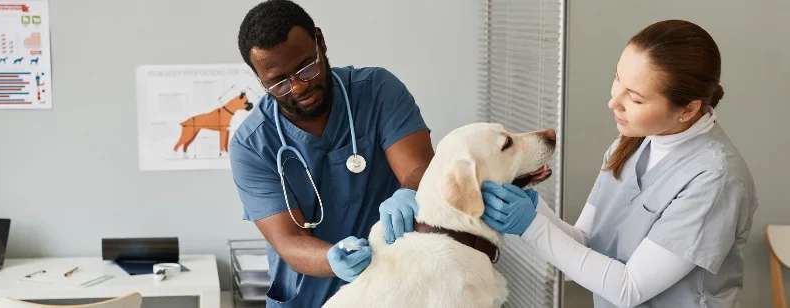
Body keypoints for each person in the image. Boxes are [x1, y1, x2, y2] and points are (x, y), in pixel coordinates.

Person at [478, 20, 757, 307]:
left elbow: (629, 288)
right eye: (617, 79)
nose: (614, 102)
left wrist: (531, 226)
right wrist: (534, 208)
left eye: (635, 99)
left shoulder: (714, 179)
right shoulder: (633, 143)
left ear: (688, 109)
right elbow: (586, 240)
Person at [229, 0, 434, 306]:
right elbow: (289, 242)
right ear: (261, 81)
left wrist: (410, 192)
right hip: (307, 299)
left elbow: (418, 169)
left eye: (305, 67)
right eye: (279, 83)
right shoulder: (252, 145)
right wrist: (333, 258)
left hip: (393, 290)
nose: (298, 87)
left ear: (320, 42)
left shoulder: (377, 91)